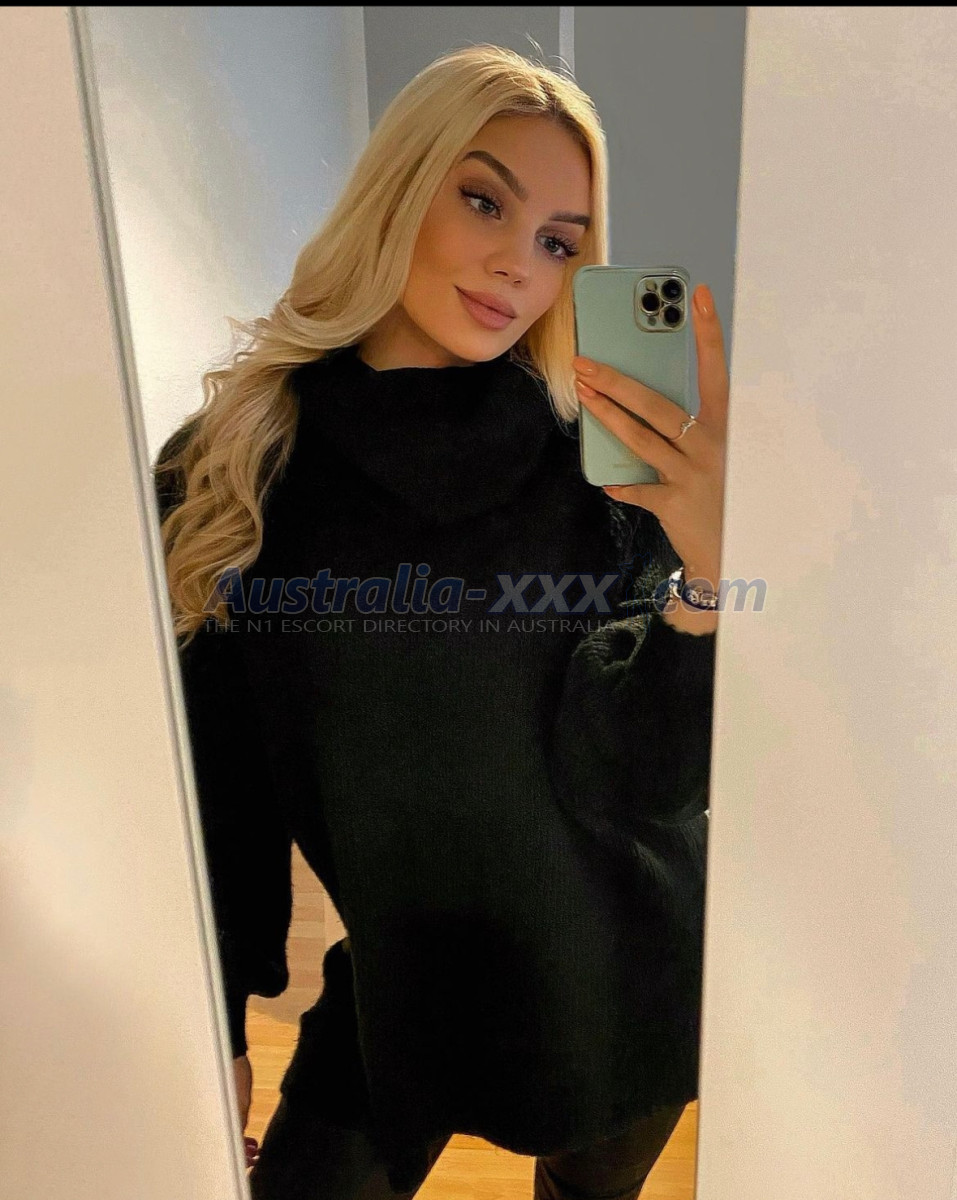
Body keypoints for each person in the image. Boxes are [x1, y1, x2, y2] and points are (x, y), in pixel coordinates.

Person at [153, 43, 727, 1200]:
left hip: (622, 977)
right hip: (400, 991)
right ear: (401, 186)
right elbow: (218, 777)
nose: (518, 263)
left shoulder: (596, 469)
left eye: (559, 242)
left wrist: (709, 572)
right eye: (484, 201)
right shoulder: (235, 467)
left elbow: (646, 778)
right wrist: (213, 1010)